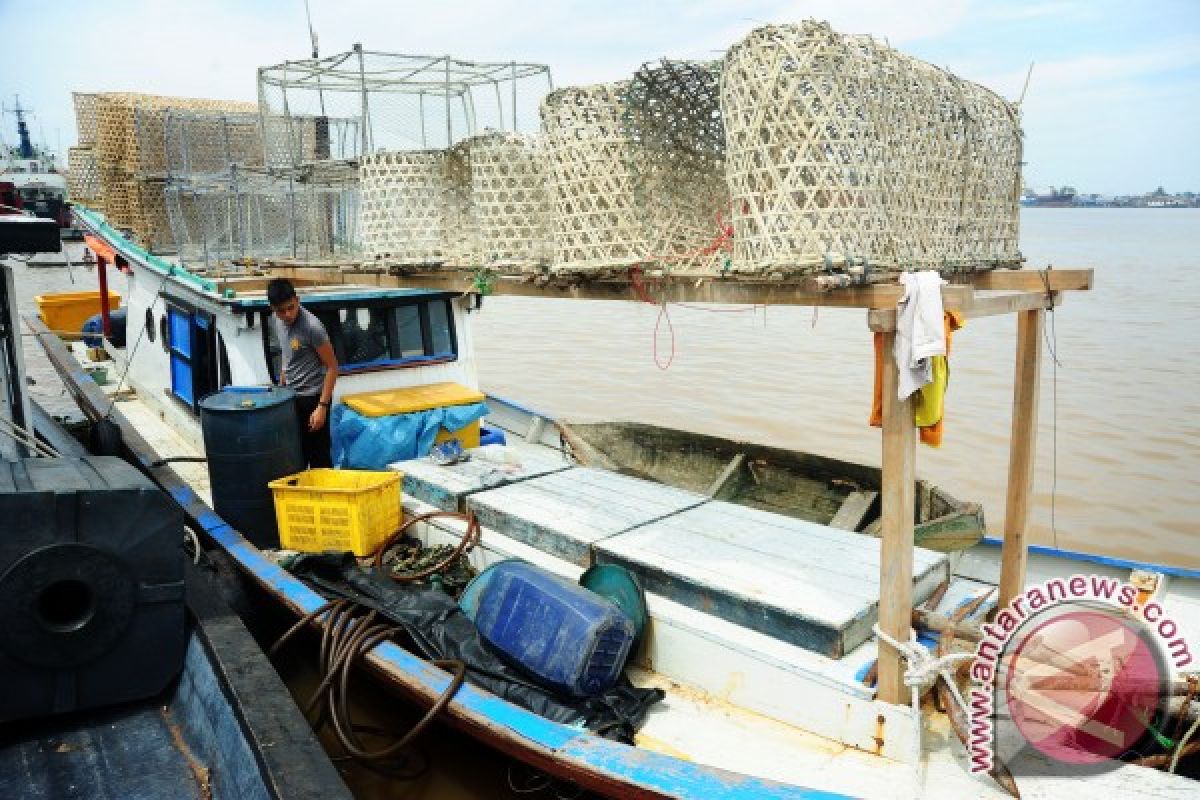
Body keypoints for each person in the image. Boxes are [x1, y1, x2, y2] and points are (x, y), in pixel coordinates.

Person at [267, 278, 338, 468]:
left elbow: (332, 367)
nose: (288, 314)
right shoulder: (276, 321)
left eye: (291, 307)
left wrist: (322, 407)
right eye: (281, 311)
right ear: (273, 309)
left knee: (319, 457)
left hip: (313, 397)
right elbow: (287, 351)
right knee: (295, 454)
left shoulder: (312, 327)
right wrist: (283, 375)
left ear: (297, 300)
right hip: (291, 397)